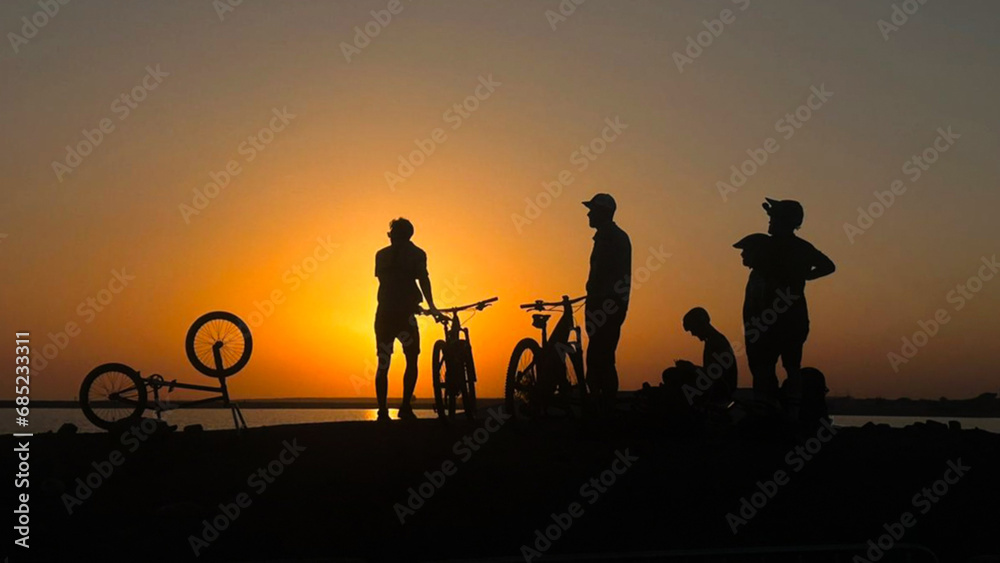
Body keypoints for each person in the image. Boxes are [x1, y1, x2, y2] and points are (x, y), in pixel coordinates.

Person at [738, 199, 836, 415]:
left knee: (764, 368)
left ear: (783, 221)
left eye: (773, 218)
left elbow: (760, 281)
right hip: (795, 318)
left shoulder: (768, 246)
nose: (769, 222)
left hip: (769, 320)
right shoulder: (803, 248)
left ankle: (768, 413)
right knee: (792, 366)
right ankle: (791, 413)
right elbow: (828, 266)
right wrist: (804, 276)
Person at [373, 218, 441, 421]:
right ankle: (392, 409)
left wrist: (429, 306)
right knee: (400, 360)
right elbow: (421, 280)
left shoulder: (383, 255)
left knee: (397, 361)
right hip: (399, 315)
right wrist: (431, 307)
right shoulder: (414, 254)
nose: (392, 237)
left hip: (388, 314)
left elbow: (393, 282)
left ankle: (396, 408)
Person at [582, 193, 631, 414]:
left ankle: (602, 408)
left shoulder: (612, 238)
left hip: (606, 304)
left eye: (592, 210)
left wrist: (598, 297)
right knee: (601, 355)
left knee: (598, 356)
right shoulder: (609, 237)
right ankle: (602, 406)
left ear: (603, 213)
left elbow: (605, 274)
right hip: (606, 303)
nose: (588, 214)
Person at [669, 307, 738, 407]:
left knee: (672, 375)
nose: (693, 334)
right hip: (716, 387)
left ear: (700, 325)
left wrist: (691, 368)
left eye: (693, 329)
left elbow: (714, 375)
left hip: (721, 390)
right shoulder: (711, 341)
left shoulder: (717, 342)